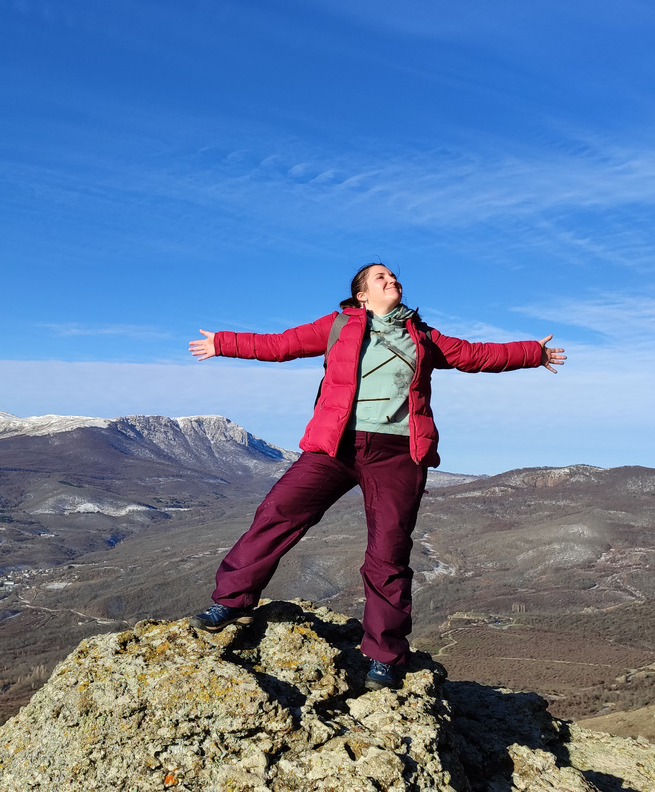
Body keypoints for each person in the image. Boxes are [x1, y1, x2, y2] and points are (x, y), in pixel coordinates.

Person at [187, 263, 566, 690]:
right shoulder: (337, 326)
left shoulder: (422, 335)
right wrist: (223, 342)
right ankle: (230, 602)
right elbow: (282, 344)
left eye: (395, 278)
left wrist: (533, 353)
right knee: (277, 512)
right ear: (361, 295)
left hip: (399, 453)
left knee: (388, 550)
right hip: (336, 445)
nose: (393, 282)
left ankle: (385, 655)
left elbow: (475, 355)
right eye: (381, 278)